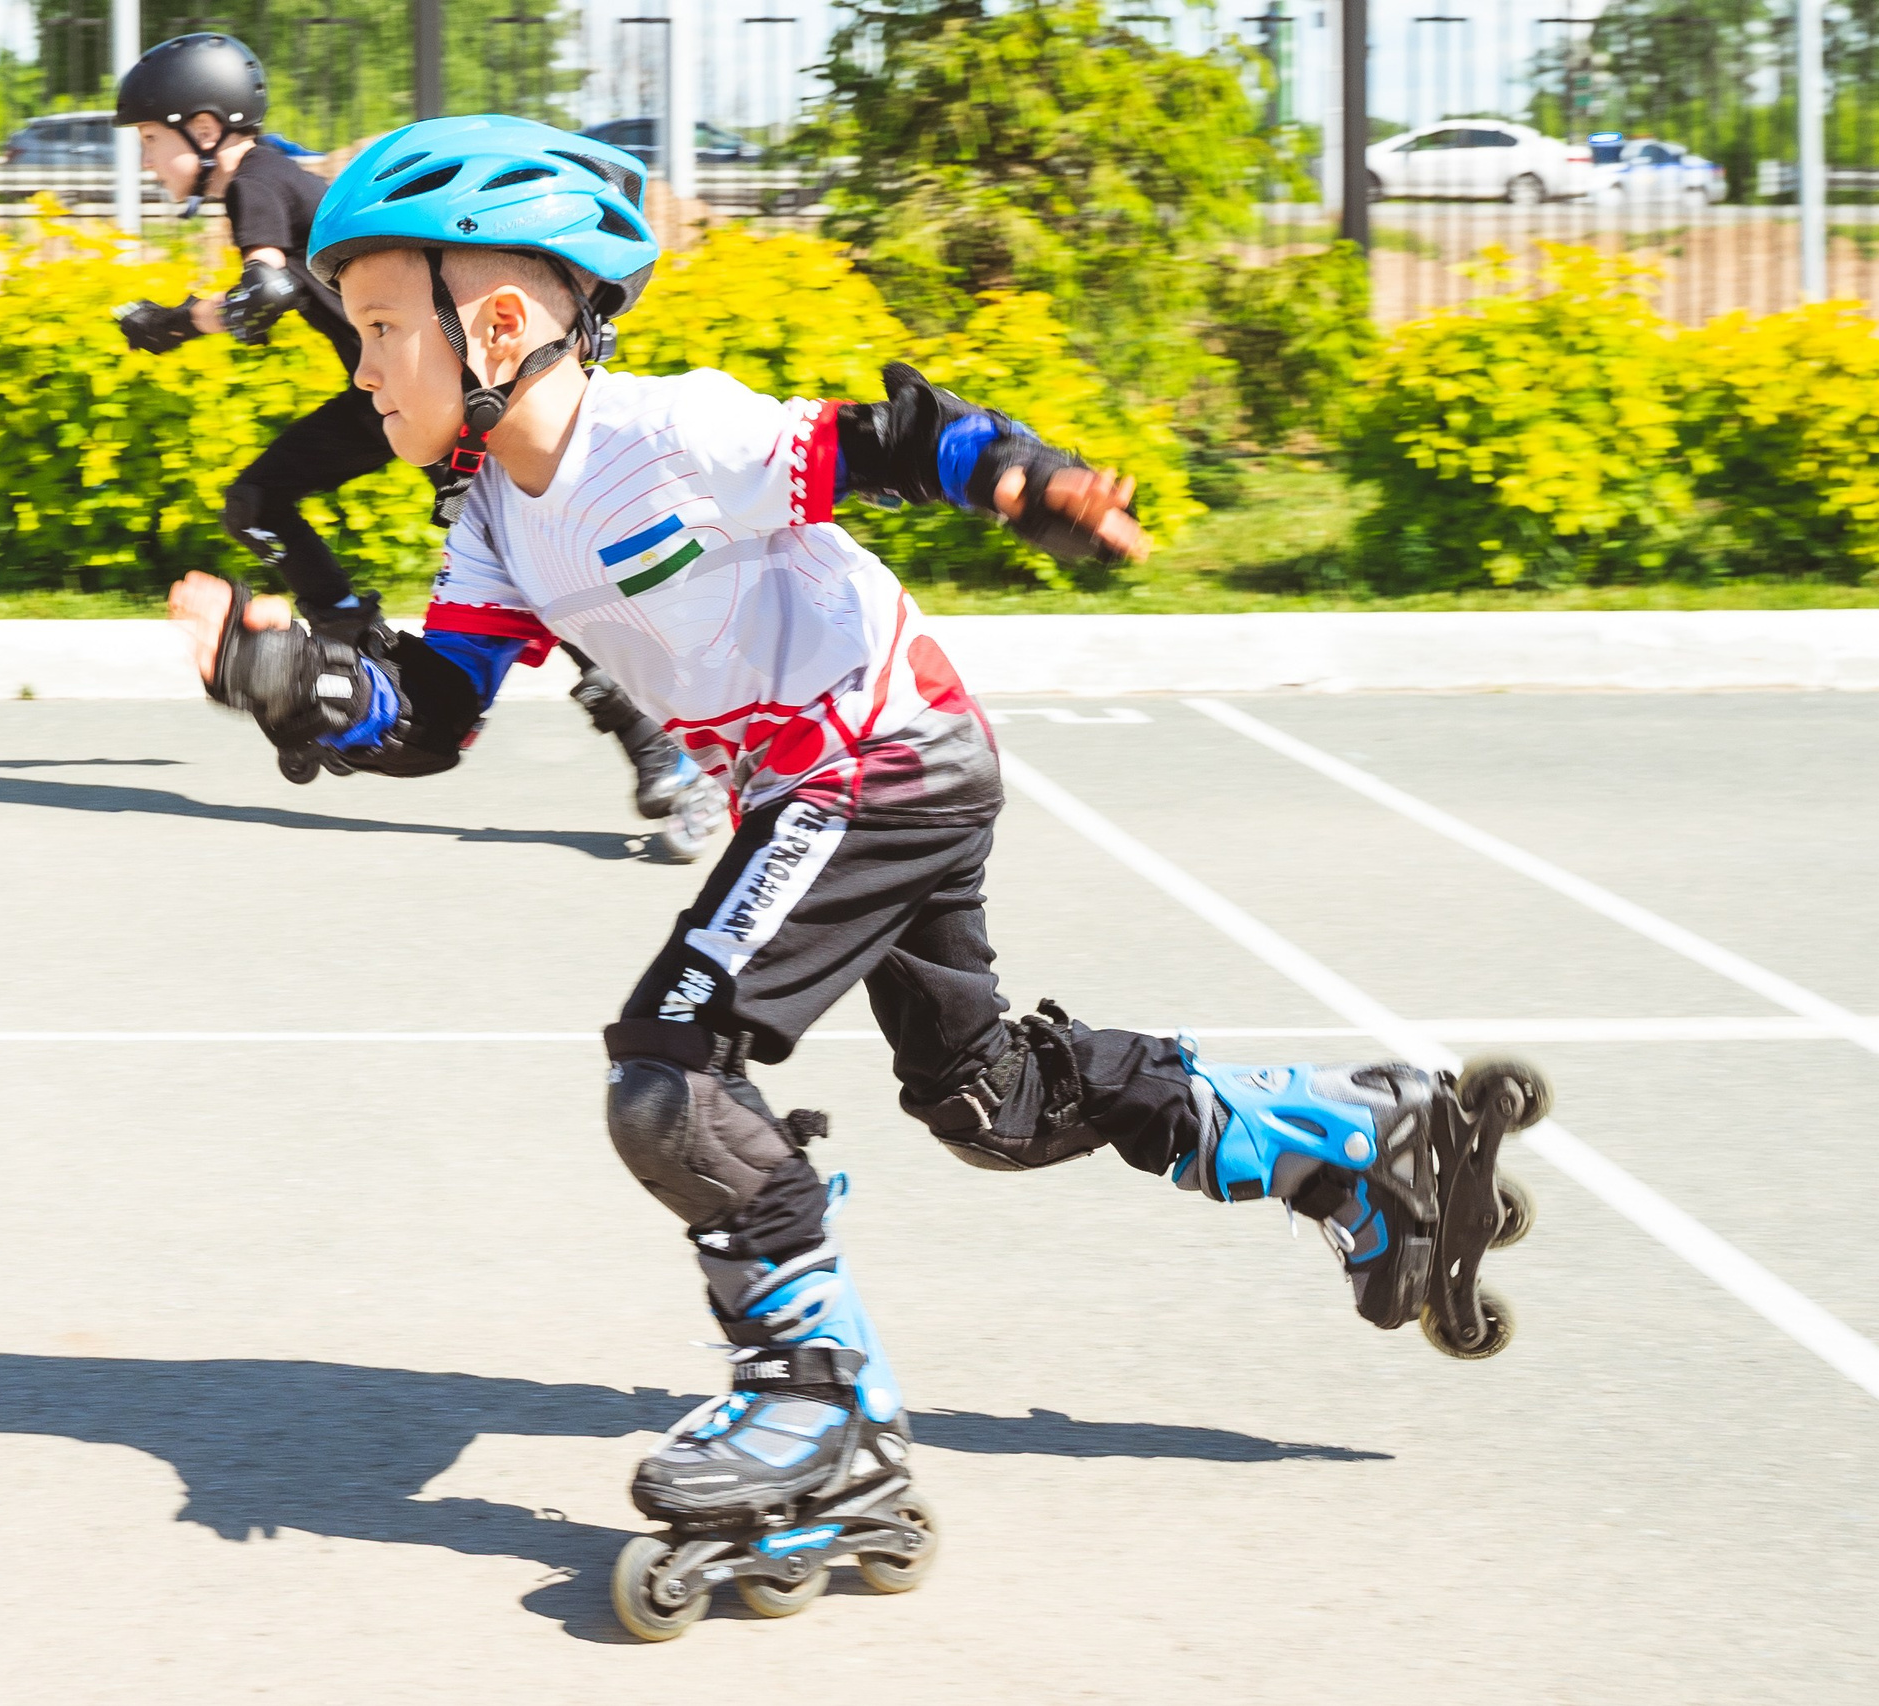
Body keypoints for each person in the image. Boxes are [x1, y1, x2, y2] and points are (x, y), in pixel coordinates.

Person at [163, 114, 1550, 1637]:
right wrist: (293, 678)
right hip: (851, 773)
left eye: (374, 331)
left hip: (876, 756)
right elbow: (435, 714)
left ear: (497, 324)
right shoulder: (492, 514)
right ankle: (1356, 1138)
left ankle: (821, 1410)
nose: (357, 370)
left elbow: (882, 444)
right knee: (990, 1102)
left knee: (671, 1075)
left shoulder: (668, 436)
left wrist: (1028, 479)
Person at [107, 36, 720, 856]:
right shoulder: (274, 178)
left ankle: (667, 751)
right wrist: (188, 318)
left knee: (536, 568)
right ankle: (350, 652)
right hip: (393, 394)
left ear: (209, 127)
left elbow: (269, 284)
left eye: (152, 139)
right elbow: (277, 285)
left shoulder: (253, 180)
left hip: (434, 391)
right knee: (265, 501)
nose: (148, 161)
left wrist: (174, 322)